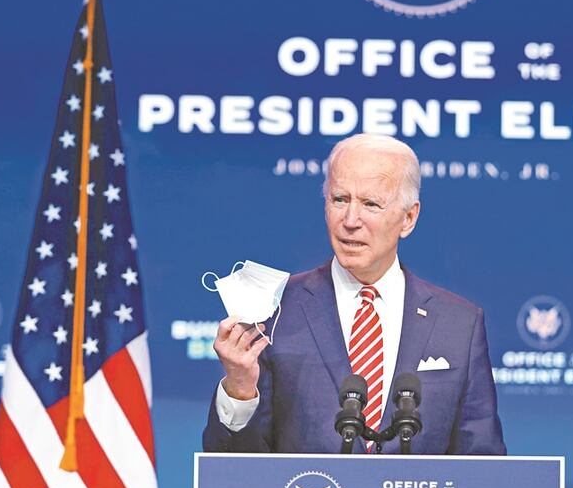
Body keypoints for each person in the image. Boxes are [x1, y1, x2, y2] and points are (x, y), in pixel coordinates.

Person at [202, 134, 505, 454]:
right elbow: (234, 476)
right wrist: (239, 389)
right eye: (339, 199)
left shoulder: (459, 325)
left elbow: (484, 469)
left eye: (371, 204)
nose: (349, 221)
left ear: (409, 218)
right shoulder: (274, 309)